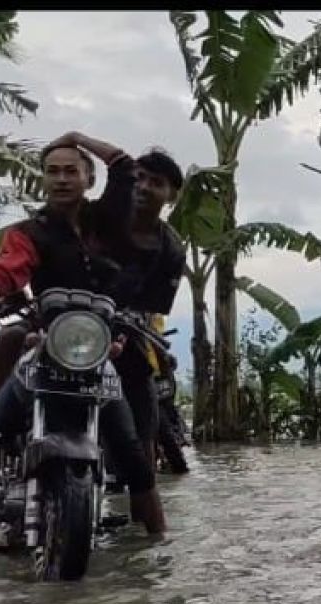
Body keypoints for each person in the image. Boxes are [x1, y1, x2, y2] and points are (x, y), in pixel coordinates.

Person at [0, 132, 168, 559]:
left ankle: (160, 547)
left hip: (100, 352)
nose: (61, 179)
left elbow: (123, 165)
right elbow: (2, 272)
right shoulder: (29, 233)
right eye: (52, 171)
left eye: (72, 170)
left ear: (89, 179)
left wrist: (74, 138)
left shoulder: (111, 223)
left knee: (133, 452)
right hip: (47, 347)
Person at [111, 148, 186, 470]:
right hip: (69, 321)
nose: (143, 186)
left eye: (155, 182)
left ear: (170, 196)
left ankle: (146, 498)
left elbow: (153, 308)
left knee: (143, 405)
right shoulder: (99, 216)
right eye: (138, 177)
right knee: (13, 341)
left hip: (123, 330)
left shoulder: (170, 248)